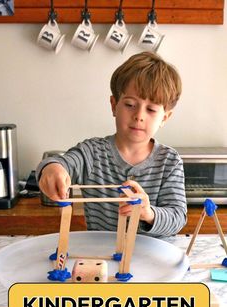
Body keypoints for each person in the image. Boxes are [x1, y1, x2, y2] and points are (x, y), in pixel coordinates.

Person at [36, 51, 187, 237]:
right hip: (103, 260)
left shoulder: (169, 161)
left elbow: (178, 217)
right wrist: (52, 168)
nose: (139, 116)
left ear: (164, 118)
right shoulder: (92, 152)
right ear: (114, 105)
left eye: (151, 109)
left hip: (153, 260)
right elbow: (64, 163)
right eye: (130, 104)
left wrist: (148, 213)